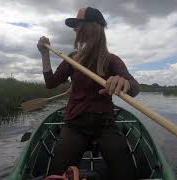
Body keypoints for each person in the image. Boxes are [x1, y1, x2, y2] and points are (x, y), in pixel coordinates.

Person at [37, 7, 140, 180]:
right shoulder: (72, 59)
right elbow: (51, 83)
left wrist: (126, 84)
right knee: (56, 175)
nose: (74, 29)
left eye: (78, 24)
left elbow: (135, 87)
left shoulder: (112, 60)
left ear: (93, 26)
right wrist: (44, 54)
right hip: (75, 124)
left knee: (127, 173)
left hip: (105, 123)